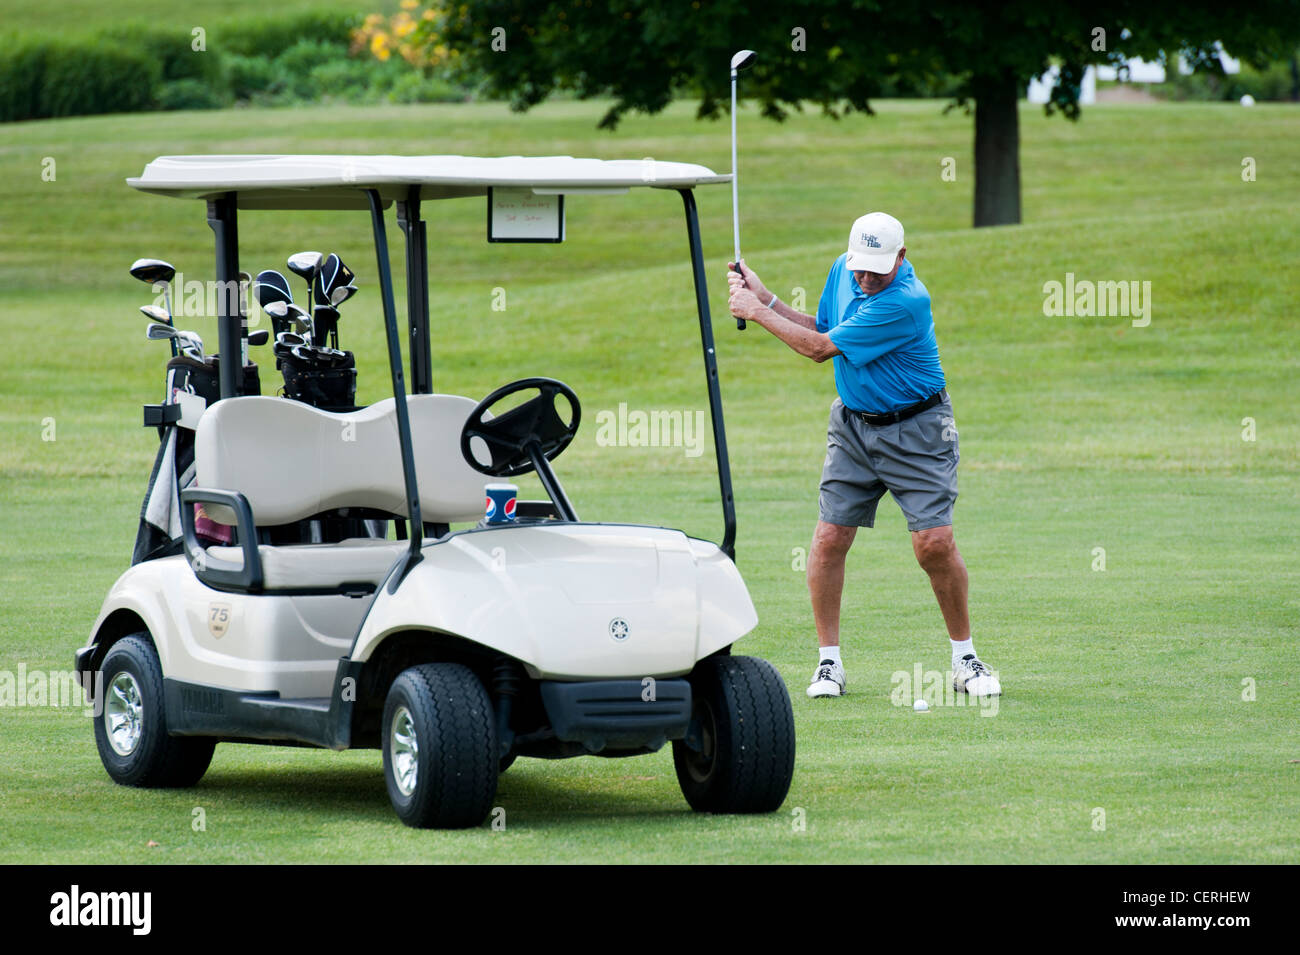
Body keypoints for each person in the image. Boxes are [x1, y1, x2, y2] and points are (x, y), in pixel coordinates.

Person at [726, 211, 1000, 700]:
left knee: (933, 543)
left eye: (877, 269)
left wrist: (756, 311)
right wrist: (766, 298)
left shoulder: (907, 301)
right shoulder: (844, 271)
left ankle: (965, 659)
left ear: (902, 256)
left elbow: (818, 349)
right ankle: (829, 664)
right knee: (830, 537)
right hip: (854, 426)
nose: (866, 279)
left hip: (918, 430)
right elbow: (823, 326)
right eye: (860, 269)